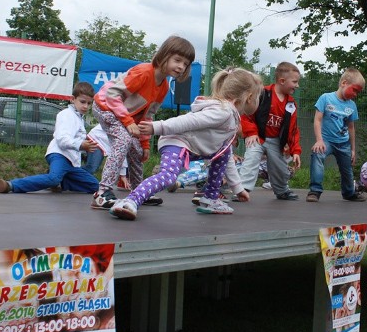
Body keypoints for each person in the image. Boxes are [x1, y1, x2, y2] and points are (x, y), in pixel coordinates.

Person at [108, 68, 262, 220]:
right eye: (257, 97)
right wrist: (156, 127)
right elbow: (188, 121)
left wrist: (237, 188)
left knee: (224, 152)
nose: (258, 101)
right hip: (177, 142)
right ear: (249, 97)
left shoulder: (231, 115)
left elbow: (225, 155)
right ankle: (130, 201)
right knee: (168, 176)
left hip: (193, 147)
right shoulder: (224, 112)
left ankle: (210, 198)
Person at [89, 35, 196, 210]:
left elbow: (147, 116)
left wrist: (145, 143)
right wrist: (127, 121)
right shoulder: (144, 72)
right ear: (164, 55)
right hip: (105, 106)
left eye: (185, 64)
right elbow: (112, 95)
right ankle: (101, 192)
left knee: (137, 151)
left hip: (124, 115)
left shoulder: (164, 87)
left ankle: (140, 192)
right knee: (123, 141)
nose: (181, 67)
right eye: (177, 60)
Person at [0, 82, 100, 194]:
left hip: (72, 163)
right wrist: (81, 145)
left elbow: (76, 141)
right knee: (53, 178)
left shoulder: (80, 119)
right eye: (82, 102)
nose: (86, 106)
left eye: (89, 103)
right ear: (72, 99)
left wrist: (85, 148)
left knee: (95, 186)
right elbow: (62, 139)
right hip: (60, 155)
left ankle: (61, 181)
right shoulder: (66, 114)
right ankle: (11, 185)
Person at [236, 61, 302, 200]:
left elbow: (293, 130)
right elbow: (245, 115)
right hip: (258, 137)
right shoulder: (262, 94)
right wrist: (252, 132)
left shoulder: (291, 104)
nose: (297, 85)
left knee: (280, 168)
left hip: (276, 141)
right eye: (295, 82)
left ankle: (282, 190)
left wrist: (295, 150)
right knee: (251, 159)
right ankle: (243, 189)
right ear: (282, 81)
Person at [306, 68, 366, 202]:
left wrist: (353, 149)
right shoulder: (326, 98)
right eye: (355, 90)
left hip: (343, 143)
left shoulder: (352, 106)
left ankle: (349, 192)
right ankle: (315, 191)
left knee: (347, 170)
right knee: (317, 154)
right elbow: (317, 120)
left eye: (358, 92)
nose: (356, 94)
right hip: (326, 140)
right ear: (344, 83)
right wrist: (319, 140)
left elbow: (351, 128)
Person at [82, 124, 129, 190]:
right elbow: (121, 153)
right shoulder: (124, 129)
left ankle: (74, 180)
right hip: (96, 138)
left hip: (103, 140)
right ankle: (69, 175)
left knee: (92, 167)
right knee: (92, 167)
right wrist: (123, 175)